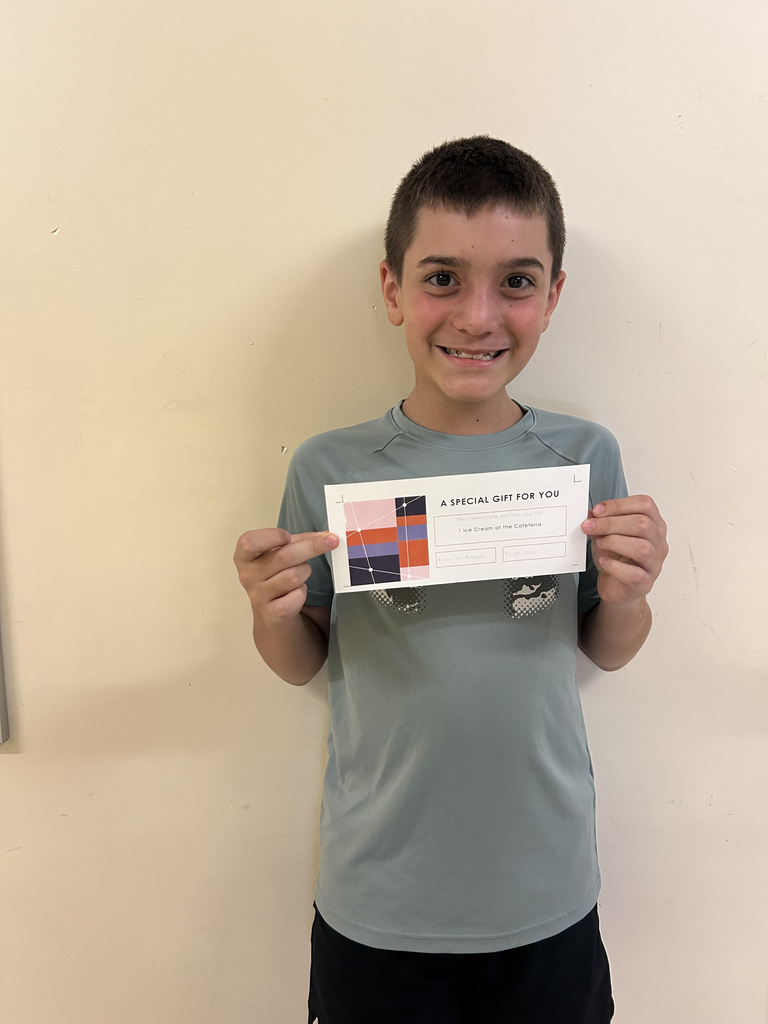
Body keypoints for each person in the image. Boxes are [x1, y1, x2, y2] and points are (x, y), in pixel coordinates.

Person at [234, 136, 668, 1024]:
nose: (477, 316)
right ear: (393, 290)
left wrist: (630, 593)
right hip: (381, 899)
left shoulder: (583, 456)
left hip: (547, 888)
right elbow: (301, 659)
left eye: (515, 281)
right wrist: (271, 611)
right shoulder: (332, 466)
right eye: (442, 278)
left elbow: (606, 647)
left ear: (552, 296)